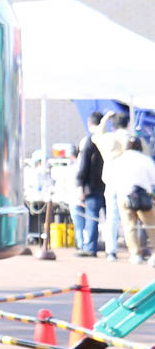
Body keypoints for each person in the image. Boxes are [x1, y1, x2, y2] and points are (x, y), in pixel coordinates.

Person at [103, 136, 155, 263]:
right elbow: (153, 179)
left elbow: (109, 179)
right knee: (151, 226)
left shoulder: (118, 161)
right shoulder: (146, 160)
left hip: (124, 196)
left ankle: (135, 254)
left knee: (129, 227)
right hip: (143, 195)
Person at [97, 113, 134, 257]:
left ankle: (110, 250)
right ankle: (134, 250)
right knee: (130, 218)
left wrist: (105, 118)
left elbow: (97, 134)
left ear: (113, 126)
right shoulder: (132, 139)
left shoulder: (108, 139)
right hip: (128, 182)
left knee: (111, 218)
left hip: (111, 181)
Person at [74, 110, 108, 256]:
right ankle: (110, 248)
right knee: (110, 219)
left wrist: (79, 185)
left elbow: (83, 166)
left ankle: (90, 247)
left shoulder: (89, 141)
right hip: (108, 185)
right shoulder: (108, 141)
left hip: (92, 187)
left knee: (92, 218)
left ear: (89, 124)